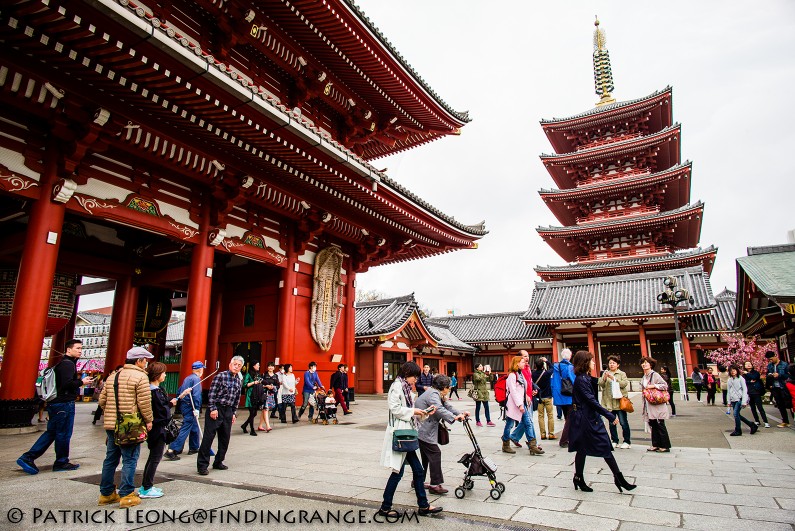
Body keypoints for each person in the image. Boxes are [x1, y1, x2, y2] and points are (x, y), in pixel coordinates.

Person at [17, 339, 93, 475]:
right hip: (64, 404)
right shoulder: (68, 364)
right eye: (77, 348)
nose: (80, 351)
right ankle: (61, 461)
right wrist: (82, 381)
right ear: (68, 350)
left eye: (81, 348)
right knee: (63, 434)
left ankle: (28, 457)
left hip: (57, 403)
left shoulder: (62, 364)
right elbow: (66, 384)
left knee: (52, 432)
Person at [379, 361, 441, 517]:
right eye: (415, 377)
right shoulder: (396, 386)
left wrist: (423, 412)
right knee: (399, 472)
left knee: (418, 471)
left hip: (407, 434)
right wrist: (414, 411)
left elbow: (409, 411)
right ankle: (385, 508)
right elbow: (395, 409)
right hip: (401, 434)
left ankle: (423, 505)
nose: (416, 381)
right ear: (407, 374)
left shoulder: (405, 388)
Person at [568, 350, 636, 493]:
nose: (594, 363)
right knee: (598, 446)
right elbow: (591, 401)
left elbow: (595, 387)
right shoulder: (581, 380)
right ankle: (617, 478)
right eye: (591, 361)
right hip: (584, 419)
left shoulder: (585, 377)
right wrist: (609, 415)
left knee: (587, 448)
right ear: (585, 363)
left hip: (587, 417)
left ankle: (581, 477)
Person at [97, 347, 154, 508]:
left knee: (110, 459)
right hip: (130, 424)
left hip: (111, 423)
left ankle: (106, 494)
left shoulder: (113, 376)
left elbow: (102, 401)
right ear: (139, 361)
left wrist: (110, 414)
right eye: (145, 360)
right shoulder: (141, 377)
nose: (146, 363)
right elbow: (144, 403)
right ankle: (127, 494)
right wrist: (149, 420)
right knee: (129, 459)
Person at [415, 374, 468, 494]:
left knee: (425, 457)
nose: (449, 389)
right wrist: (454, 418)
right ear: (443, 387)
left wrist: (460, 413)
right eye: (448, 387)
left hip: (423, 430)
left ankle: (418, 481)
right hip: (424, 430)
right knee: (434, 454)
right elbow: (439, 408)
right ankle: (435, 485)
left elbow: (446, 405)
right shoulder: (433, 394)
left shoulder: (435, 392)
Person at [197, 356, 243, 476]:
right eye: (235, 364)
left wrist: (234, 413)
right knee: (208, 437)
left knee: (225, 438)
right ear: (230, 364)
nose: (236, 366)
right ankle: (202, 465)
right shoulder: (221, 376)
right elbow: (212, 393)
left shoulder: (238, 380)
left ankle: (219, 461)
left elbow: (236, 399)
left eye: (239, 365)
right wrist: (212, 408)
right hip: (217, 408)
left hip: (228, 410)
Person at [139, 362, 177, 498]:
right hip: (158, 428)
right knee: (155, 457)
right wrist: (170, 404)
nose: (165, 375)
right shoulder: (154, 392)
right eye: (164, 373)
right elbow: (162, 411)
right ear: (157, 375)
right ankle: (147, 488)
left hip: (156, 427)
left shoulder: (153, 390)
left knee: (153, 457)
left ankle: (146, 485)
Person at [501, 356, 543, 455]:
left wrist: (528, 396)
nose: (524, 363)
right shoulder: (512, 375)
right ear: (517, 363)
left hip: (522, 402)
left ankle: (532, 445)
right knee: (509, 424)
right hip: (514, 404)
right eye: (522, 362)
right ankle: (505, 444)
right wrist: (520, 404)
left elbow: (524, 387)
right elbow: (513, 391)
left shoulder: (520, 374)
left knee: (528, 423)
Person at [164, 361, 205, 461]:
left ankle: (194, 447)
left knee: (194, 425)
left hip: (184, 404)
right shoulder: (196, 379)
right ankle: (172, 449)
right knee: (186, 427)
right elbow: (196, 395)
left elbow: (179, 391)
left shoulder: (188, 378)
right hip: (190, 406)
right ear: (200, 369)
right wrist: (197, 408)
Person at [598, 355, 631, 449]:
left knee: (623, 422)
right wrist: (604, 377)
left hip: (619, 403)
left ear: (618, 365)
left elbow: (624, 384)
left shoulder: (621, 373)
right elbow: (601, 384)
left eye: (613, 363)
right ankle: (614, 440)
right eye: (610, 363)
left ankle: (627, 441)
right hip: (609, 403)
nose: (611, 365)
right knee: (612, 423)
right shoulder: (606, 373)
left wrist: (614, 379)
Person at [640, 356, 671, 452]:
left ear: (651, 364)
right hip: (649, 404)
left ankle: (665, 446)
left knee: (660, 424)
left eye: (646, 363)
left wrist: (653, 385)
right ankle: (655, 444)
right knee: (653, 424)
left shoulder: (655, 375)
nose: (644, 364)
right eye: (643, 363)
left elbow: (665, 385)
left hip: (657, 404)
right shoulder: (644, 376)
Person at [552, 348, 576, 447]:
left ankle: (569, 437)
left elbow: (553, 382)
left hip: (559, 395)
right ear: (570, 356)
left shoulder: (556, 366)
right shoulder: (570, 367)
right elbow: (573, 380)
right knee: (570, 419)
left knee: (567, 417)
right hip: (568, 395)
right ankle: (564, 440)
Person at [727, 365, 758, 436]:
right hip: (733, 399)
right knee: (737, 415)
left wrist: (744, 401)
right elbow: (728, 391)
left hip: (740, 399)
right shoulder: (729, 380)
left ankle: (738, 430)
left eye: (734, 370)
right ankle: (752, 425)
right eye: (731, 370)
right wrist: (728, 401)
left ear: (737, 370)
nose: (733, 372)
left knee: (735, 414)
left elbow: (745, 390)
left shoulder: (741, 379)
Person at [765, 351, 790, 427]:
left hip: (783, 386)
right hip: (774, 387)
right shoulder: (770, 366)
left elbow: (788, 376)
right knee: (780, 404)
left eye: (771, 359)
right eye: (769, 360)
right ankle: (785, 421)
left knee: (789, 403)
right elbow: (767, 374)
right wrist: (770, 376)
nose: (770, 361)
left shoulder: (784, 364)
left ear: (775, 356)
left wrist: (779, 375)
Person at [532, 358, 555, 440]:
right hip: (548, 396)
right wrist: (547, 361)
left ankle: (543, 434)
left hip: (539, 397)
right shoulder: (547, 373)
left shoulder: (533, 374)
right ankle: (551, 434)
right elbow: (553, 368)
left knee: (540, 416)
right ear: (543, 365)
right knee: (550, 415)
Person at [743, 361, 769, 428]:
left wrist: (748, 374)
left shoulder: (756, 373)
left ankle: (765, 422)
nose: (748, 365)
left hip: (756, 392)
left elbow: (754, 377)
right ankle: (757, 421)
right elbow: (745, 382)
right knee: (752, 408)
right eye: (746, 364)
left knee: (760, 407)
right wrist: (750, 381)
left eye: (749, 364)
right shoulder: (743, 374)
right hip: (749, 392)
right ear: (744, 366)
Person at [241, 362, 264, 436]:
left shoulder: (258, 374)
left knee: (254, 413)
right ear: (254, 366)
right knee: (252, 412)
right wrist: (254, 382)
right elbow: (245, 384)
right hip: (251, 394)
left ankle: (244, 425)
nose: (259, 366)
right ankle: (252, 430)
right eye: (257, 365)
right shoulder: (248, 374)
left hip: (257, 394)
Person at [258, 362, 279, 432]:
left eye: (272, 366)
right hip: (264, 394)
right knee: (266, 409)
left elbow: (278, 386)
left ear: (274, 367)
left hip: (271, 394)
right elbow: (259, 384)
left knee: (264, 410)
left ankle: (260, 426)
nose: (270, 367)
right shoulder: (264, 375)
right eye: (269, 366)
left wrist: (273, 387)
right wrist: (266, 386)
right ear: (267, 367)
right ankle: (268, 425)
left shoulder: (276, 376)